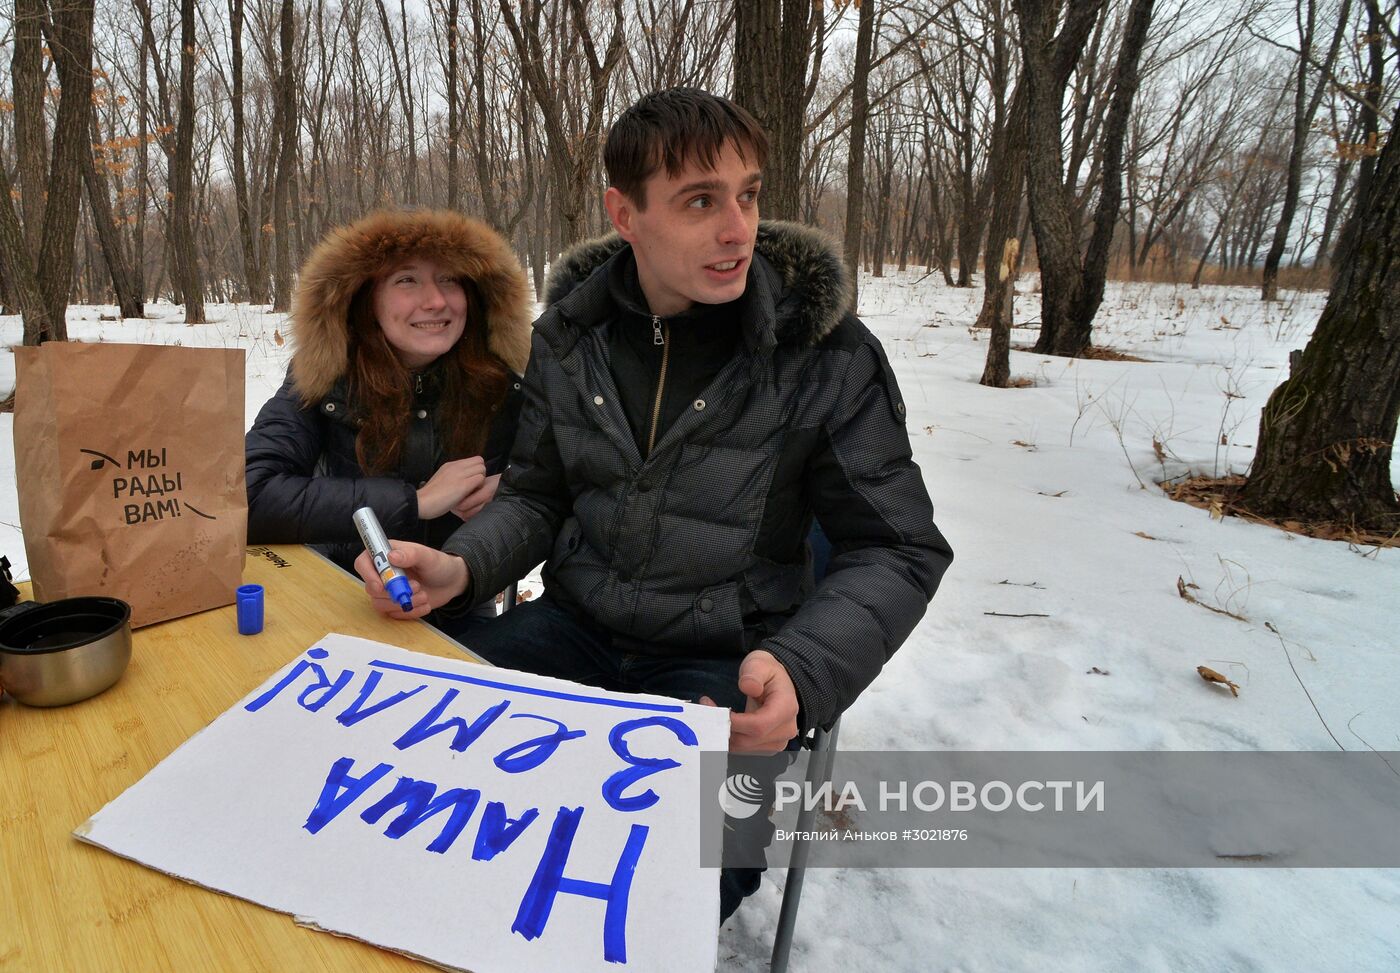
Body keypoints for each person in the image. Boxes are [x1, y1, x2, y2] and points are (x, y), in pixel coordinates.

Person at [356, 89, 953, 919]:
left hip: (723, 665)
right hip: (569, 631)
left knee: (663, 883)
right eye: (700, 201)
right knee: (413, 799)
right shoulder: (570, 335)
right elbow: (537, 493)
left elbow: (899, 547)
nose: (737, 227)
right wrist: (462, 564)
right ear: (624, 213)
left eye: (747, 194)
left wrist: (803, 672)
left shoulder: (824, 354)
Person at [246, 208, 533, 604]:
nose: (435, 300)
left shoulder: (504, 384)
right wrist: (415, 502)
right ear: (366, 299)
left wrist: (511, 487)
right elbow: (248, 494)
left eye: (449, 278)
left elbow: (565, 478)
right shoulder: (325, 379)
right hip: (339, 594)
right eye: (407, 280)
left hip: (460, 606)